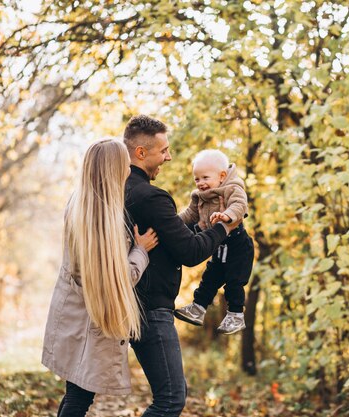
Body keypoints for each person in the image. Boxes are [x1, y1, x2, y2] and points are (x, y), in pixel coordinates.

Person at [123, 115, 238, 417]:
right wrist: (227, 226)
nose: (169, 157)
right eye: (164, 150)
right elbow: (189, 251)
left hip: (127, 303)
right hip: (151, 309)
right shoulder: (152, 197)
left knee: (80, 393)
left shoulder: (118, 191)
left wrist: (205, 226)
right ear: (141, 153)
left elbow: (177, 240)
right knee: (171, 398)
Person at [42, 139, 159, 417]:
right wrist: (141, 251)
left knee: (75, 392)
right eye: (125, 166)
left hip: (72, 311)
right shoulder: (105, 221)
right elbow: (120, 277)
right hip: (92, 319)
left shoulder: (78, 204)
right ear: (115, 170)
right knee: (79, 398)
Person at [174, 149, 254, 334]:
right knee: (209, 278)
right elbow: (190, 215)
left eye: (205, 178)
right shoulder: (199, 196)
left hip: (238, 246)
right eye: (197, 179)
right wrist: (172, 222)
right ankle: (198, 308)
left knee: (234, 282)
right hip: (219, 247)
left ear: (222, 176)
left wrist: (226, 216)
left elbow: (240, 206)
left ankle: (235, 315)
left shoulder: (232, 188)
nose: (201, 183)